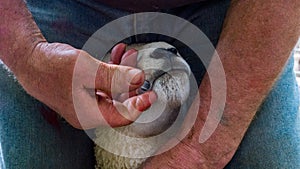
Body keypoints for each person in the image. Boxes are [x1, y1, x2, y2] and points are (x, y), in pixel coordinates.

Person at [0, 0, 299, 169]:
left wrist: (200, 152)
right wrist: (29, 56)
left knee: (271, 161)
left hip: (231, 8)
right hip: (61, 7)